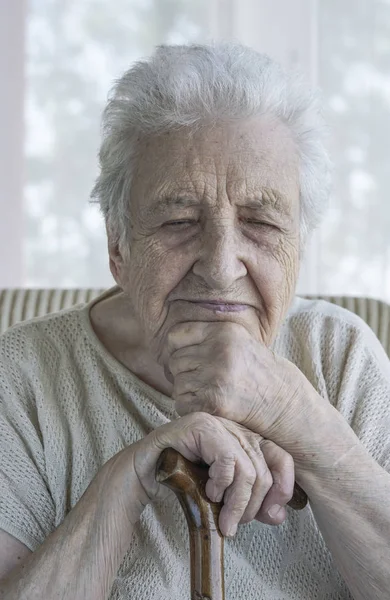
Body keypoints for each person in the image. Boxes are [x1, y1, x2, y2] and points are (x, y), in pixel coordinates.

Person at [0, 42, 389, 600]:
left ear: (298, 249)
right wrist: (128, 478)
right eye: (180, 221)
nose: (221, 265)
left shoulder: (339, 353)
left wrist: (293, 414)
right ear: (118, 246)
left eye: (261, 223)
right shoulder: (23, 373)